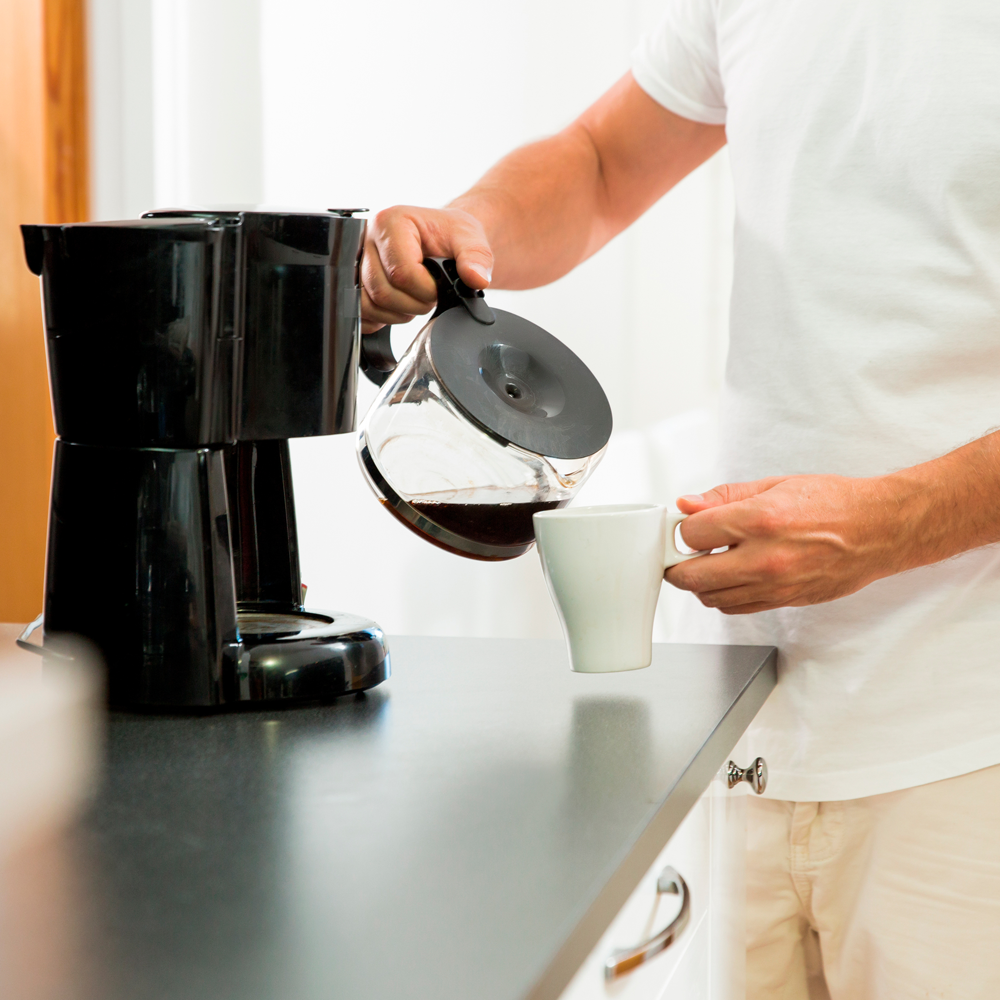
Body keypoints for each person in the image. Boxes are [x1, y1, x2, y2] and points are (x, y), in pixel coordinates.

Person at [361, 2, 1000, 997]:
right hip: (750, 739)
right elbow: (602, 162)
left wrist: (891, 525)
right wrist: (473, 226)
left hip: (967, 747)